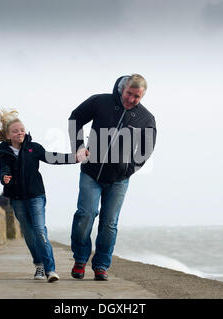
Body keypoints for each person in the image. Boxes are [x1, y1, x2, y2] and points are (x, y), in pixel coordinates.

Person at [0, 101, 78, 283]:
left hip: (36, 195)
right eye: (15, 131)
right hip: (17, 198)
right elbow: (3, 168)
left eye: (22, 129)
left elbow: (52, 158)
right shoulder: (3, 151)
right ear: (8, 135)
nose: (20, 133)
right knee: (28, 234)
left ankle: (50, 270)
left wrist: (75, 158)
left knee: (39, 230)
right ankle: (39, 265)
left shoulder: (33, 148)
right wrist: (4, 176)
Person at [68, 74, 157, 280]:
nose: (132, 99)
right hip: (91, 172)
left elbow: (147, 148)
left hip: (119, 180)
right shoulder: (101, 101)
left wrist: (129, 168)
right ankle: (80, 260)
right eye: (129, 94)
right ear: (122, 89)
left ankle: (101, 266)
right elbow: (75, 118)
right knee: (86, 215)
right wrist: (79, 147)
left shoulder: (146, 118)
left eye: (137, 96)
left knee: (109, 223)